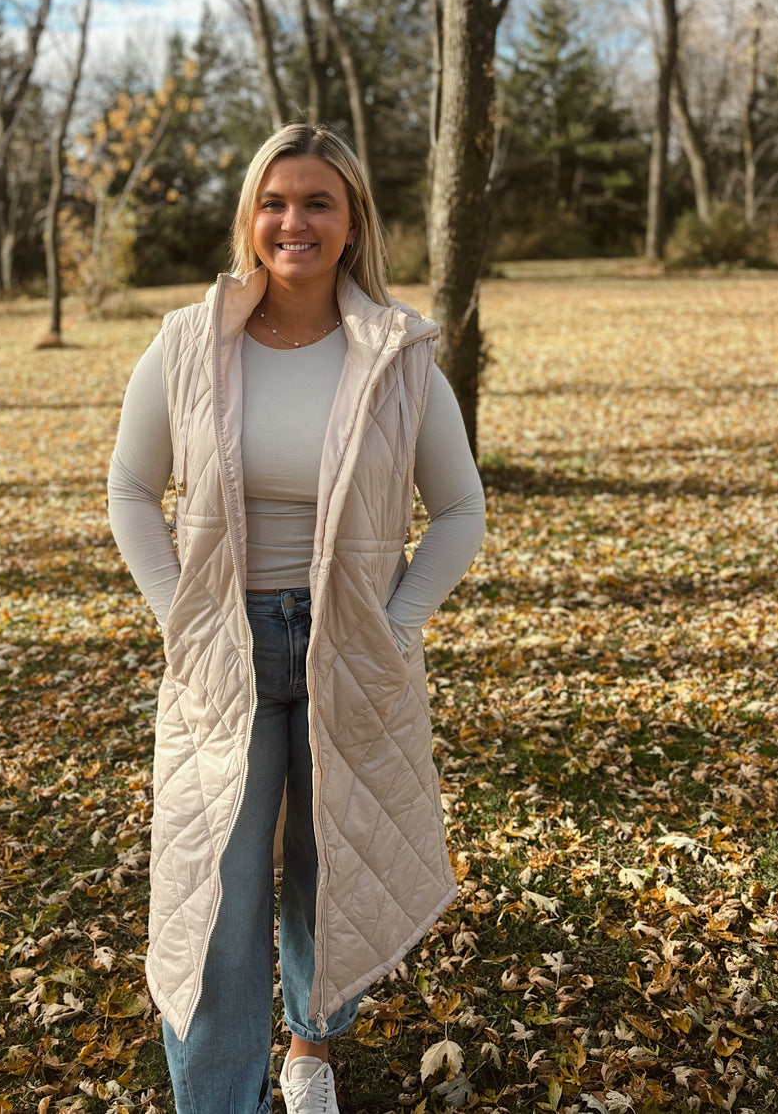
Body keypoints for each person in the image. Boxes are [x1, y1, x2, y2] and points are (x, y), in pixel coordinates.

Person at [107, 123, 486, 1114]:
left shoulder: (398, 357)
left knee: (333, 865)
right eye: (275, 202)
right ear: (250, 218)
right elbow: (129, 489)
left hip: (350, 648)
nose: (293, 221)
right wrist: (180, 620)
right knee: (216, 892)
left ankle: (312, 1050)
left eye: (317, 201)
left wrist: (397, 629)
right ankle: (217, 1100)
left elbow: (459, 511)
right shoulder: (188, 343)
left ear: (351, 220)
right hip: (222, 650)